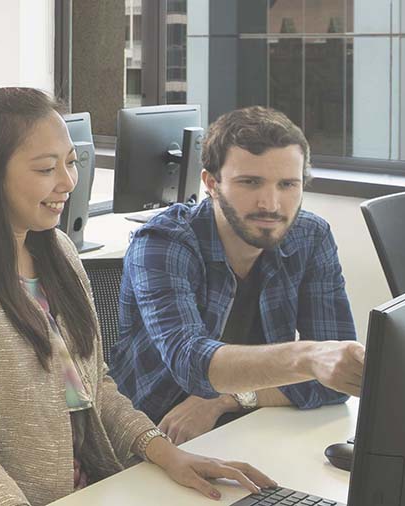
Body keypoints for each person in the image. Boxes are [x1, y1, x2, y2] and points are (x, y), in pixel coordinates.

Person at [0, 87, 275, 505]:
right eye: (45, 169)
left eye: (71, 163)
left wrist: (169, 455)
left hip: (80, 487)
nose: (68, 182)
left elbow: (96, 388)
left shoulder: (57, 251)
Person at [109, 106, 366, 445]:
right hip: (151, 437)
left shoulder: (310, 236)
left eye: (288, 184)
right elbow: (191, 363)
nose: (271, 204)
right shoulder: (162, 242)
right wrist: (308, 359)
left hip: (249, 428)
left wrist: (225, 399)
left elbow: (337, 380)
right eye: (250, 182)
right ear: (211, 184)